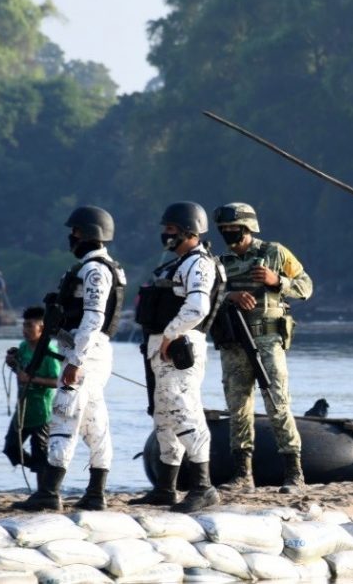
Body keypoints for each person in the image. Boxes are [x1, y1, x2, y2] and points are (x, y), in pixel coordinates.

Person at [12, 205, 126, 511]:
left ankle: (50, 491)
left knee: (63, 415)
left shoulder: (94, 271)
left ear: (91, 234)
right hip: (85, 349)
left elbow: (92, 319)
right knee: (94, 422)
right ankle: (96, 492)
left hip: (85, 352)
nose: (71, 238)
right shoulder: (97, 268)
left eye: (75, 232)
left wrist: (75, 361)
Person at [129, 202, 225, 512]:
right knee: (163, 415)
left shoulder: (198, 264)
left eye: (170, 230)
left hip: (180, 344)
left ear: (188, 231)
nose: (165, 235)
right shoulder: (180, 263)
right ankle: (165, 487)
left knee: (184, 412)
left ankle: (202, 486)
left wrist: (171, 334)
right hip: (164, 344)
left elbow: (198, 307)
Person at [213, 202, 313, 493]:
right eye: (224, 230)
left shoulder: (275, 253)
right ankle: (242, 475)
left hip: (268, 340)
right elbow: (203, 298)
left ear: (247, 228)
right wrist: (229, 296)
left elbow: (306, 287)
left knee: (278, 404)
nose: (228, 235)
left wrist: (277, 280)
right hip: (234, 342)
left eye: (233, 229)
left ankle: (294, 474)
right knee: (238, 408)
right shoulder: (218, 263)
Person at [2, 306, 60, 481]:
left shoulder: (50, 352)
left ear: (41, 328)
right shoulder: (23, 347)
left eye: (29, 326)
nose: (25, 330)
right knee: (11, 448)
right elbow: (21, 375)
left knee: (39, 452)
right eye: (24, 326)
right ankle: (41, 468)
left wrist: (32, 380)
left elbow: (58, 381)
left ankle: (43, 491)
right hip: (23, 410)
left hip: (42, 412)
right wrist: (13, 363)